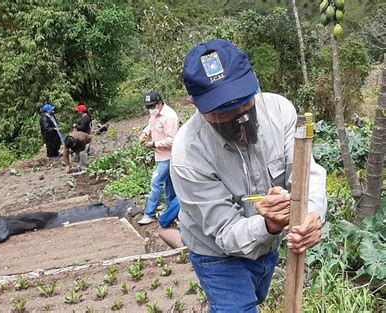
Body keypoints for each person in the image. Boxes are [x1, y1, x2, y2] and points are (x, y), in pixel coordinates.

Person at [171, 39, 327, 312]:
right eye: (222, 110)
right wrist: (268, 225)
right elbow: (224, 232)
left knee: (252, 300)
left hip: (266, 249)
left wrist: (310, 214)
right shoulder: (188, 154)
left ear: (254, 81)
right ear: (194, 103)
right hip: (217, 255)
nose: (238, 116)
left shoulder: (279, 112)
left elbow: (306, 174)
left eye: (243, 102)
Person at [137, 91, 180, 225]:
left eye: (152, 106)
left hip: (168, 156)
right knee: (169, 184)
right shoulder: (155, 115)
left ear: (160, 103)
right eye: (148, 107)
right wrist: (145, 132)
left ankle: (149, 214)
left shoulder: (169, 116)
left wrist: (153, 144)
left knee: (156, 183)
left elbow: (172, 140)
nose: (150, 109)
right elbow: (151, 125)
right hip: (160, 155)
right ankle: (171, 206)